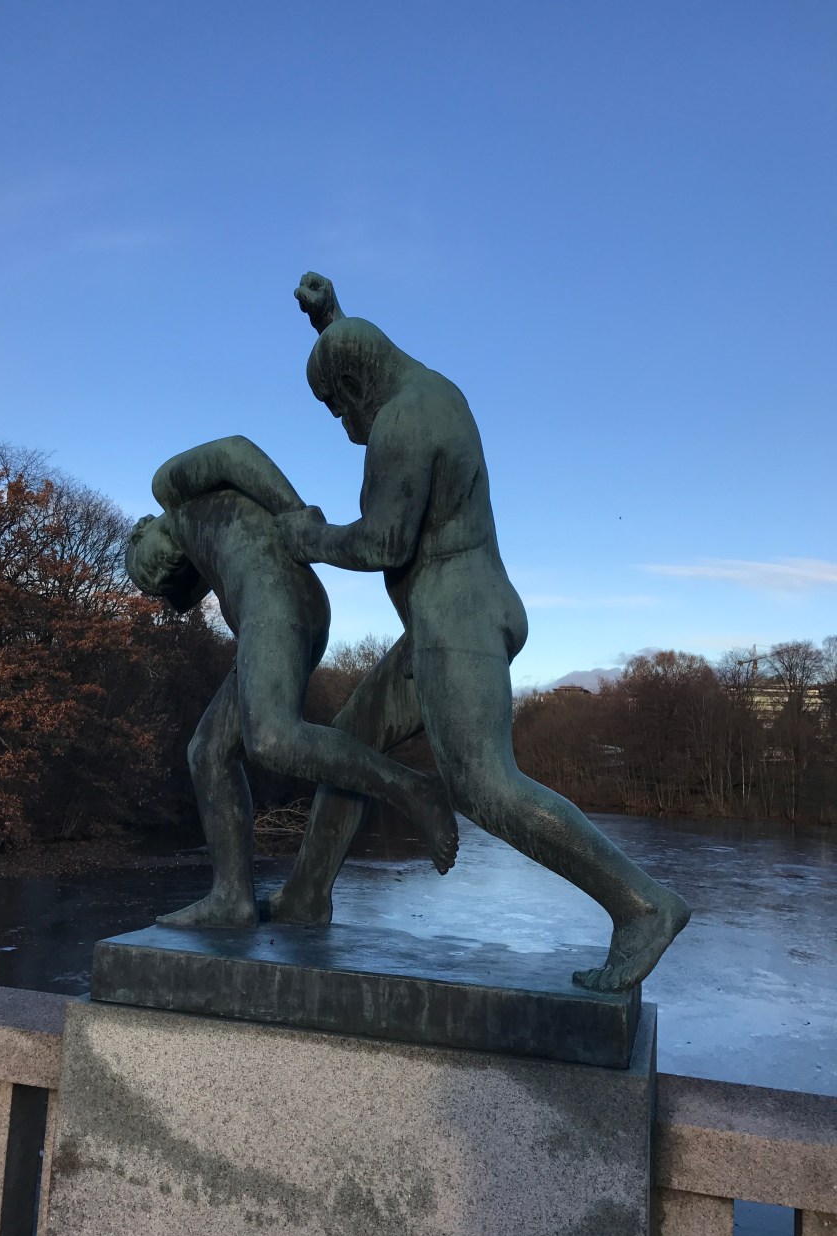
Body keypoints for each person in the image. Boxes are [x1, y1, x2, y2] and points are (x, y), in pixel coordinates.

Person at [270, 274, 690, 993]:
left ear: (357, 384)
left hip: (455, 618)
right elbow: (359, 352)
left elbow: (383, 542)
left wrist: (309, 537)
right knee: (348, 741)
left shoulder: (405, 419)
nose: (341, 423)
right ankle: (304, 897)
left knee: (484, 784)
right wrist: (330, 319)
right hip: (448, 614)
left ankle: (643, 905)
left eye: (338, 405)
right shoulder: (426, 390)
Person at [126, 435, 458, 929]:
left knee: (272, 738)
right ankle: (233, 898)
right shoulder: (198, 538)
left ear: (143, 529)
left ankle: (413, 788)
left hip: (276, 600)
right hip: (274, 614)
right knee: (208, 752)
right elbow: (182, 593)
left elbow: (234, 451)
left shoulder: (170, 490)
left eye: (144, 565)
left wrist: (297, 518)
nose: (157, 576)